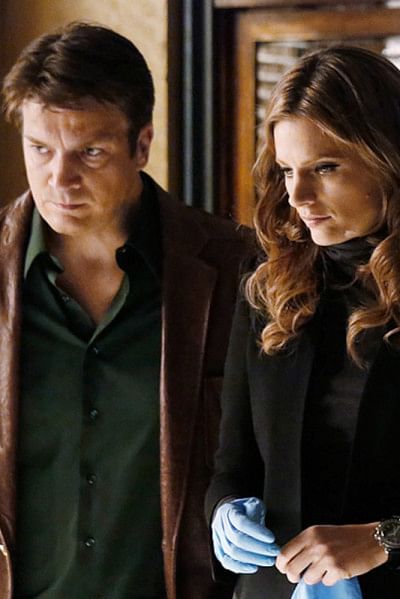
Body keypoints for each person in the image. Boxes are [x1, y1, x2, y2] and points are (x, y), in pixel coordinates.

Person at [0, 22, 251, 599]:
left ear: (142, 144)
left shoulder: (239, 271)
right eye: (40, 149)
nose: (59, 179)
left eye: (90, 152)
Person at [206, 45, 400, 598]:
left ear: (388, 159)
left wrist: (384, 539)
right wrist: (224, 512)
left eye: (325, 168)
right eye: (287, 170)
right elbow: (231, 465)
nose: (297, 195)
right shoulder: (268, 286)